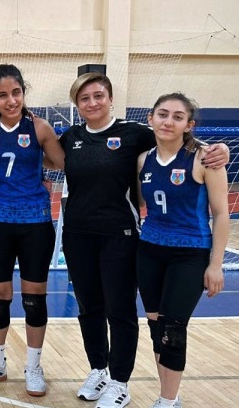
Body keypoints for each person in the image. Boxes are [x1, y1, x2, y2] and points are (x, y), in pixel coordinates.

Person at [59, 72, 228, 408]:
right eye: (84, 98)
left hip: (122, 236)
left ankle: (120, 382)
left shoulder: (136, 134)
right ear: (76, 104)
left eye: (98, 95)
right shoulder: (72, 137)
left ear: (110, 99)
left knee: (121, 311)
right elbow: (46, 153)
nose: (92, 103)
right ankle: (98, 370)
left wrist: (219, 148)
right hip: (80, 235)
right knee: (89, 308)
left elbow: (179, 141)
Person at [0, 64, 64, 397]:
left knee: (34, 298)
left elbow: (61, 162)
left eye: (16, 93)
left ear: (24, 92)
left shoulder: (39, 127)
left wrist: (38, 166)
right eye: (3, 95)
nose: (11, 101)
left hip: (36, 223)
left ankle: (33, 367)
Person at [137, 93, 227, 408]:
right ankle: (170, 395)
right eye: (162, 114)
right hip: (149, 250)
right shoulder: (143, 159)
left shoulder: (205, 158)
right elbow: (141, 202)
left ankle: (166, 400)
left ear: (188, 124)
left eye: (178, 117)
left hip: (189, 253)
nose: (168, 121)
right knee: (156, 327)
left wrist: (216, 265)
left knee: (173, 329)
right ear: (150, 118)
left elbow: (221, 214)